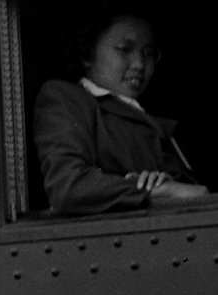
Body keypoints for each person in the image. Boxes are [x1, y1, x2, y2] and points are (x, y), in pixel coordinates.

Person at [33, 12, 209, 215]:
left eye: (149, 53)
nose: (139, 64)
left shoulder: (149, 116)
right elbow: (68, 186)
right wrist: (151, 191)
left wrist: (170, 183)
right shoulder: (66, 97)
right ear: (87, 54)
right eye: (125, 50)